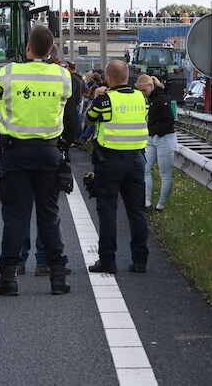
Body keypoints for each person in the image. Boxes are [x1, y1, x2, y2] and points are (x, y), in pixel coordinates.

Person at [0, 26, 78, 297]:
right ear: (50, 50)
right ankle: (58, 279)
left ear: (28, 47)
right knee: (50, 215)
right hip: (49, 152)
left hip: (16, 153)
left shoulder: (10, 72)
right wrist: (64, 152)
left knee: (15, 216)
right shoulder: (63, 76)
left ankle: (8, 278)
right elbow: (71, 119)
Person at [86, 59, 150, 274]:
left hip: (110, 162)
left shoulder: (105, 101)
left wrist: (97, 96)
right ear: (128, 77)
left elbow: (88, 119)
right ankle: (140, 260)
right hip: (137, 161)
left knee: (107, 210)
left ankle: (107, 260)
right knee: (137, 211)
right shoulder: (142, 98)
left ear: (108, 78)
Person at [136, 74, 176, 211]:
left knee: (165, 174)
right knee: (144, 168)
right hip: (152, 138)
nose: (142, 94)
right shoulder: (150, 98)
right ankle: (146, 200)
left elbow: (170, 119)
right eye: (140, 91)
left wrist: (158, 131)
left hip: (164, 138)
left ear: (150, 86)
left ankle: (161, 205)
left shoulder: (162, 98)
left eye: (144, 90)